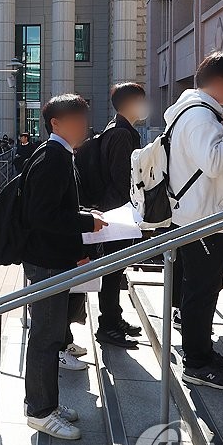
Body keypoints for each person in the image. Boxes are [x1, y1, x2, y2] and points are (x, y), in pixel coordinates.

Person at [18, 95, 103, 440]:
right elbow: (42, 216)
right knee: (45, 337)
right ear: (55, 123)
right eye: (77, 119)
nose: (84, 126)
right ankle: (39, 410)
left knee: (51, 336)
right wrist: (86, 222)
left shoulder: (57, 154)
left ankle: (47, 403)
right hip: (47, 264)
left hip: (53, 260)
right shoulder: (53, 157)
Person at [164, 52, 223, 390]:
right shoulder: (200, 116)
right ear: (222, 83)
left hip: (197, 215)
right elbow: (213, 162)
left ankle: (202, 353)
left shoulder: (193, 111)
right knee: (201, 291)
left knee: (202, 288)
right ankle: (196, 362)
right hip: (200, 219)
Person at [81, 83, 148, 350]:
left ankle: (113, 319)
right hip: (118, 211)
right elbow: (123, 178)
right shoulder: (121, 134)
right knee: (112, 270)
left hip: (113, 208)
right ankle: (108, 325)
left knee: (115, 269)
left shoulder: (116, 128)